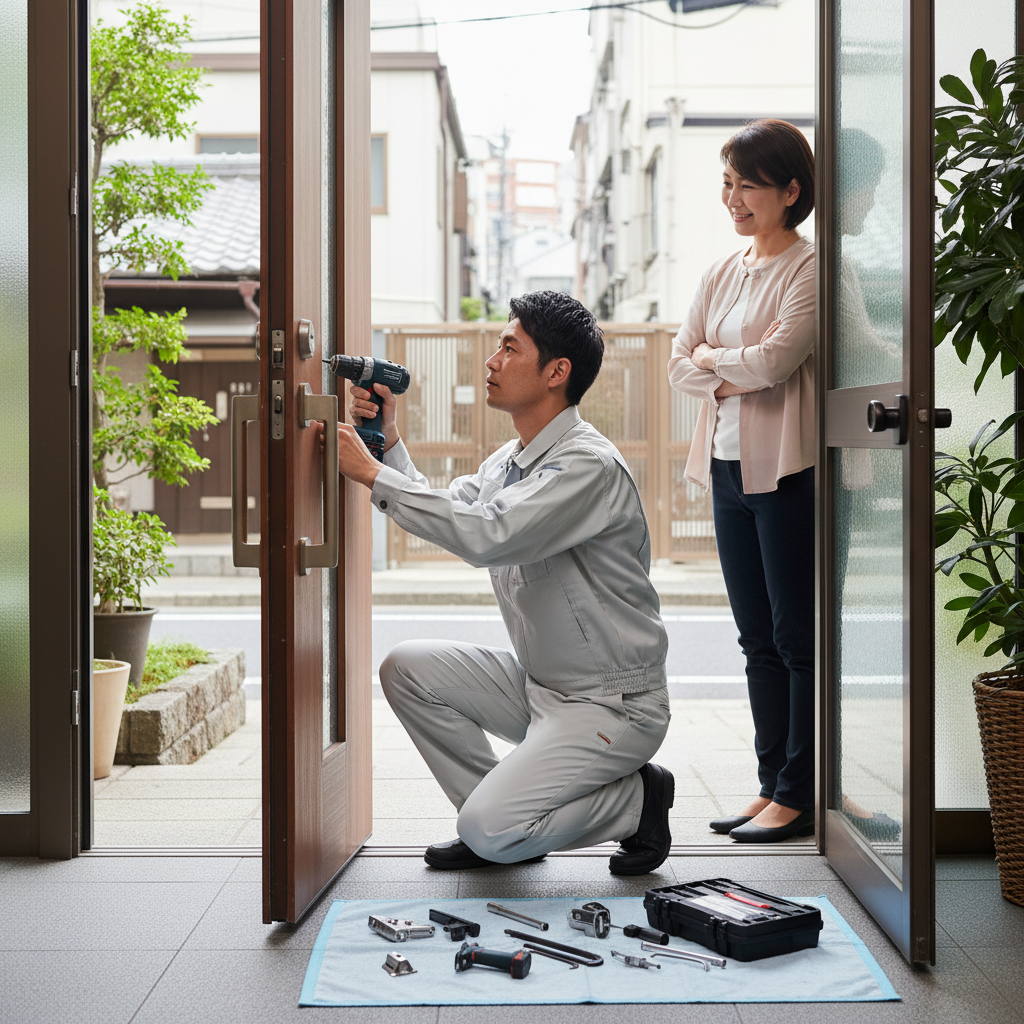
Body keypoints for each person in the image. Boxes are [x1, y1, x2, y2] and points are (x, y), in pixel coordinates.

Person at [328, 291, 673, 874]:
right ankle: (502, 825)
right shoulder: (511, 461)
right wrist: (386, 442)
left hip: (611, 704)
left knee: (489, 828)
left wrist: (372, 473)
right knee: (406, 666)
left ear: (556, 373)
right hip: (542, 688)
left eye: (509, 348)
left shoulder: (586, 465)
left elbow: (489, 533)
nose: (492, 360)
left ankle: (638, 802)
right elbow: (453, 507)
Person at [667, 119, 816, 843]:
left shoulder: (811, 269)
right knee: (754, 637)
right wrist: (727, 369)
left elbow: (774, 363)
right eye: (727, 184)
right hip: (726, 469)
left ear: (790, 191)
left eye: (747, 184)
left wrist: (713, 367)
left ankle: (801, 789)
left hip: (785, 472)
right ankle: (770, 785)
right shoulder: (721, 273)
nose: (733, 198)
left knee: (794, 637)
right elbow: (675, 365)